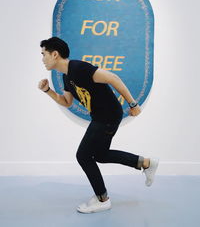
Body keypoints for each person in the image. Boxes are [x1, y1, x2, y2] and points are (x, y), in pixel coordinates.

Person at [38, 36, 159, 214]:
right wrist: (48, 91)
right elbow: (66, 102)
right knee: (100, 155)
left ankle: (103, 199)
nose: (42, 59)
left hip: (107, 116)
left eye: (44, 54)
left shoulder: (79, 68)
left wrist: (133, 104)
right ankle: (146, 163)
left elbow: (113, 78)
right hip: (101, 116)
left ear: (55, 54)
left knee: (83, 156)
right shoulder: (66, 77)